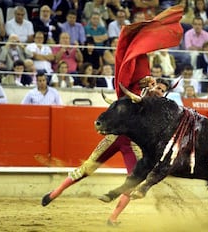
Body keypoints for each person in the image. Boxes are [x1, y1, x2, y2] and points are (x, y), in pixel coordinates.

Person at [41, 6, 184, 227]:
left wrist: (147, 86)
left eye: (158, 87)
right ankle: (67, 197)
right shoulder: (140, 82)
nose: (156, 88)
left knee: (112, 174)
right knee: (109, 173)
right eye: (157, 85)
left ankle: (96, 210)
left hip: (124, 138)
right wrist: (145, 84)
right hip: (124, 137)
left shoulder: (149, 89)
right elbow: (131, 87)